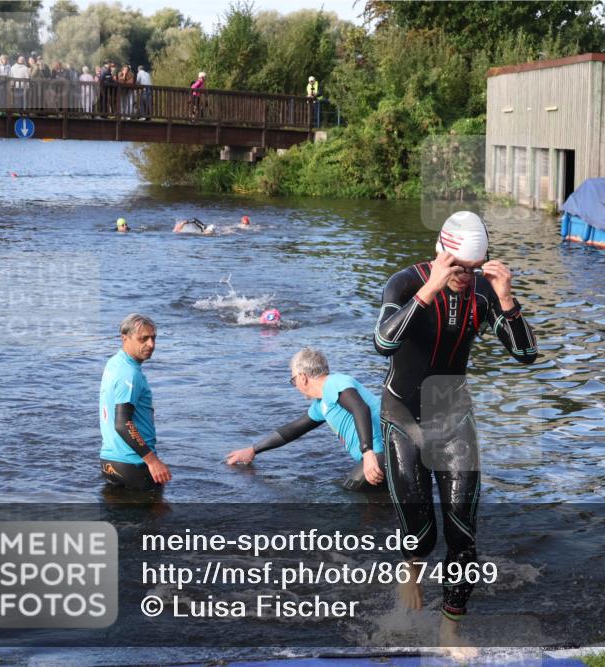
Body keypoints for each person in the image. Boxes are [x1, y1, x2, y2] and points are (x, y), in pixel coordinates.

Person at [373, 211, 538, 653]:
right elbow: (383, 342)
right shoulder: (405, 283)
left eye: (474, 268)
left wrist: (506, 299)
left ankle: (450, 630)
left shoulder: (484, 291)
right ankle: (410, 562)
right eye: (458, 267)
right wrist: (428, 292)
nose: (465, 277)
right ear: (441, 255)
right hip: (403, 416)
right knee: (422, 537)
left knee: (463, 534)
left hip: (452, 415)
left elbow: (525, 354)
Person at [226, 348, 386, 492]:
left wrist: (368, 453)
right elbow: (293, 430)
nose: (295, 385)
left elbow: (360, 408)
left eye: (293, 380)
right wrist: (252, 450)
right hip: (376, 454)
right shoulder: (322, 403)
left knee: (349, 493)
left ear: (302, 377)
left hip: (383, 452)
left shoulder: (335, 383)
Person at [99, 314, 171, 491]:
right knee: (156, 516)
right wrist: (152, 461)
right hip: (134, 465)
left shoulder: (114, 363)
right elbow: (123, 423)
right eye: (143, 339)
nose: (151, 344)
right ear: (125, 338)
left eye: (153, 338)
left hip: (109, 462)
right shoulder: (129, 374)